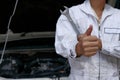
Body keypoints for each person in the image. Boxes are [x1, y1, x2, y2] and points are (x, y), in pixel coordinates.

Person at [55, 0, 120, 80]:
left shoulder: (118, 16)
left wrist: (102, 45)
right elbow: (60, 47)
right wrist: (77, 48)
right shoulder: (71, 14)